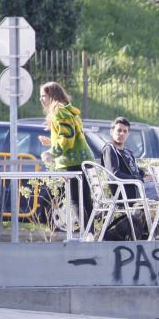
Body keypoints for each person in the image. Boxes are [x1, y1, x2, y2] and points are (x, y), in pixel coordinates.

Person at [38, 81, 94, 225]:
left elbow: (67, 139)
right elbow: (73, 138)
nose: (41, 99)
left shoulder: (60, 112)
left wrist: (51, 153)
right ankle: (91, 234)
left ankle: (87, 234)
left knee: (76, 200)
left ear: (52, 96)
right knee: (85, 200)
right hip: (82, 159)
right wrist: (51, 142)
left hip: (73, 162)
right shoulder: (68, 110)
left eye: (43, 96)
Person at [101, 116, 155, 199]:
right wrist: (139, 180)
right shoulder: (110, 149)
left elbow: (134, 169)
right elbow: (114, 174)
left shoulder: (127, 152)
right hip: (126, 191)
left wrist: (145, 174)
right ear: (111, 132)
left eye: (125, 131)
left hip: (137, 186)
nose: (122, 133)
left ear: (128, 134)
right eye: (119, 130)